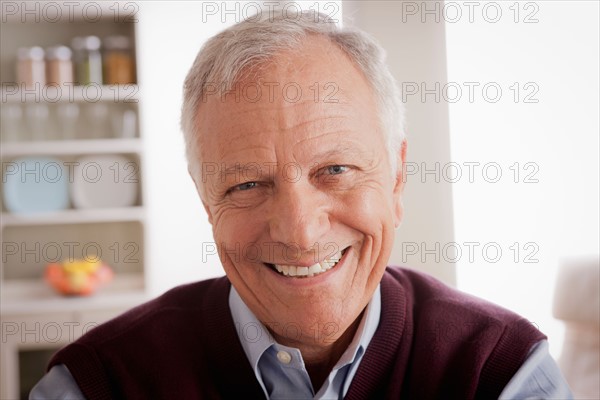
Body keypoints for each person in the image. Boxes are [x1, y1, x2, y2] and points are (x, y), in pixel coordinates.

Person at [31, 9, 572, 400]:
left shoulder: (499, 372)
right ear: (205, 200)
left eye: (335, 170)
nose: (300, 231)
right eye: (246, 185)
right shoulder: (98, 383)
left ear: (398, 175)